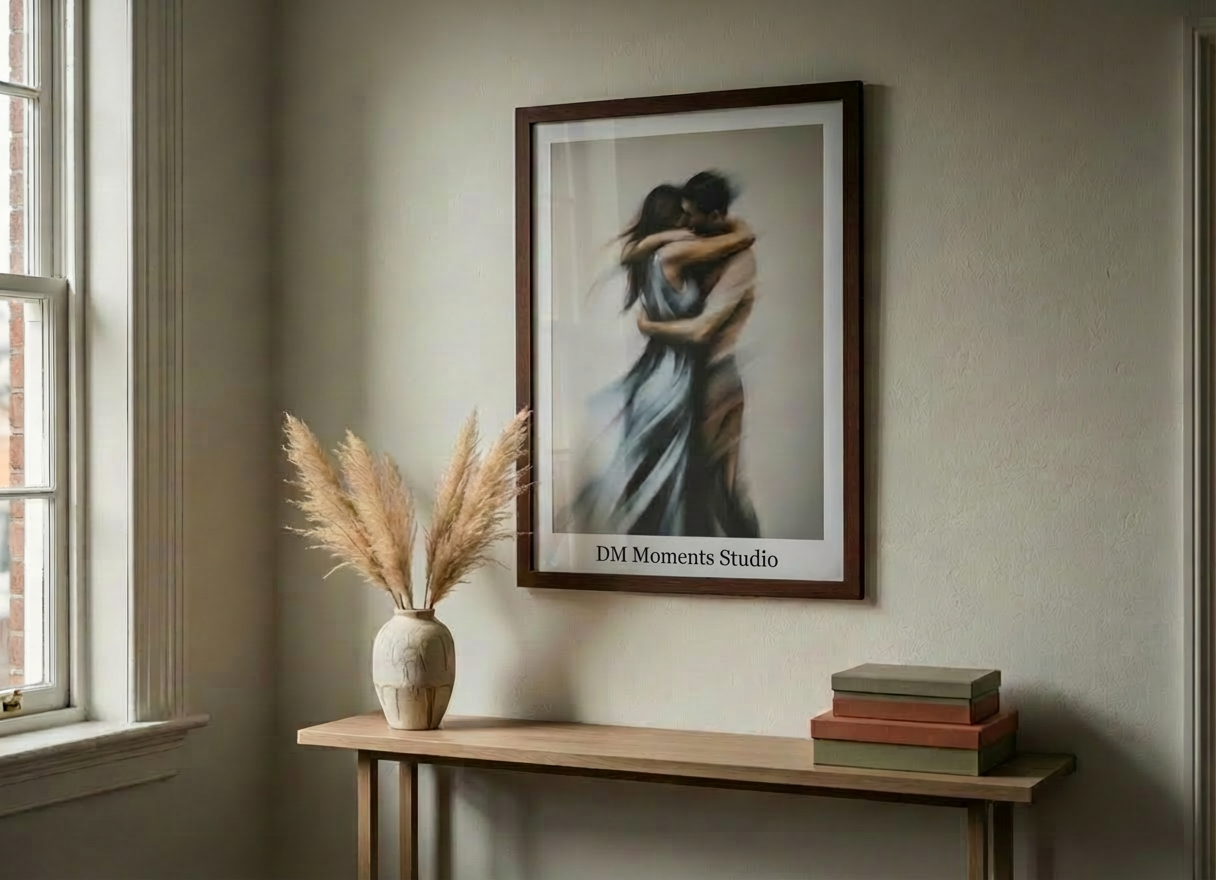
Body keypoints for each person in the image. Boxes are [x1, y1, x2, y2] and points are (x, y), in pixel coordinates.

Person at [565, 183, 754, 536]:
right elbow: (737, 242)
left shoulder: (651, 254)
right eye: (684, 214)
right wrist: (742, 228)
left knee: (660, 470)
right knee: (675, 473)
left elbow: (631, 252)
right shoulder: (677, 252)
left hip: (656, 373)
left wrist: (656, 240)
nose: (691, 222)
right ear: (673, 218)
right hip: (674, 377)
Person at [634, 170, 761, 539]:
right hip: (695, 378)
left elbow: (704, 330)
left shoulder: (739, 261)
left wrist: (651, 329)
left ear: (716, 215)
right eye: (682, 213)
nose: (686, 222)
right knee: (705, 487)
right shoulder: (700, 250)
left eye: (693, 215)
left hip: (715, 378)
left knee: (720, 487)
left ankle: (756, 567)